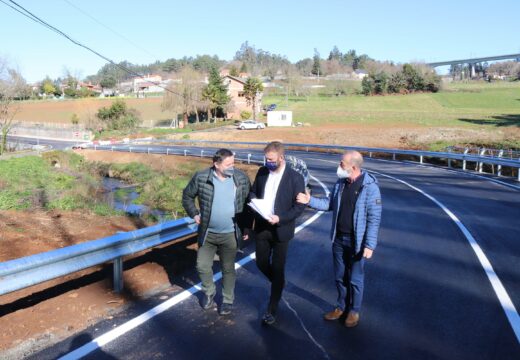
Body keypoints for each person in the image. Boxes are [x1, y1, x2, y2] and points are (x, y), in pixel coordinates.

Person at [296, 150, 382, 327]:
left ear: (354, 166)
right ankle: (341, 307)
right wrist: (309, 200)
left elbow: (374, 219)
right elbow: (329, 203)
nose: (338, 166)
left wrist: (370, 245)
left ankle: (354, 311)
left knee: (355, 279)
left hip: (357, 243)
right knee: (339, 276)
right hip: (339, 239)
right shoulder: (341, 183)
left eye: (341, 163)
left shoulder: (370, 187)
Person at [182, 148, 251, 316]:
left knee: (228, 268)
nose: (232, 167)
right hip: (208, 233)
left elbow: (249, 204)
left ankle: (227, 300)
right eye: (228, 164)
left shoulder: (240, 178)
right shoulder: (201, 177)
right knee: (202, 265)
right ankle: (209, 291)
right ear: (216, 164)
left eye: (233, 163)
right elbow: (187, 196)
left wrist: (247, 226)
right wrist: (194, 213)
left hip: (230, 234)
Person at [249, 141, 306, 325]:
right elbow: (252, 193)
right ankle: (279, 282)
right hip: (263, 227)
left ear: (281, 158)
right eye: (266, 158)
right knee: (261, 262)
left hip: (281, 229)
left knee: (279, 267)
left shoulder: (295, 178)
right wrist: (254, 203)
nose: (268, 162)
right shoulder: (262, 172)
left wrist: (280, 218)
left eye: (271, 159)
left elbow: (299, 207)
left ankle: (271, 309)